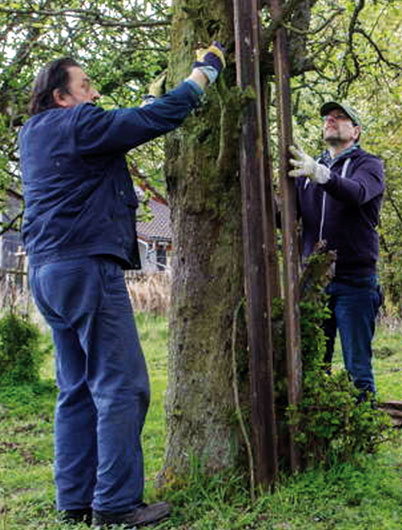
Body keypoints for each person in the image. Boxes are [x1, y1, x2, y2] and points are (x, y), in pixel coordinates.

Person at [19, 43, 225, 527]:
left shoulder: (34, 134)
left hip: (47, 272)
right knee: (122, 386)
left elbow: (126, 125)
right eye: (86, 86)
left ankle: (74, 498)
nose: (95, 93)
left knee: (76, 388)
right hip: (85, 267)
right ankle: (114, 503)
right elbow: (155, 119)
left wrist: (149, 102)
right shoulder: (79, 124)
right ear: (61, 97)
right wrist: (204, 73)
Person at [287, 102, 384, 401]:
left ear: (355, 131)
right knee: (316, 364)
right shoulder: (307, 169)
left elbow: (356, 193)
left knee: (357, 368)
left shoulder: (369, 165)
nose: (331, 120)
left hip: (354, 283)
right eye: (328, 117)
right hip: (314, 283)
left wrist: (321, 175)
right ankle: (319, 438)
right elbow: (288, 219)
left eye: (340, 118)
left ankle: (364, 435)